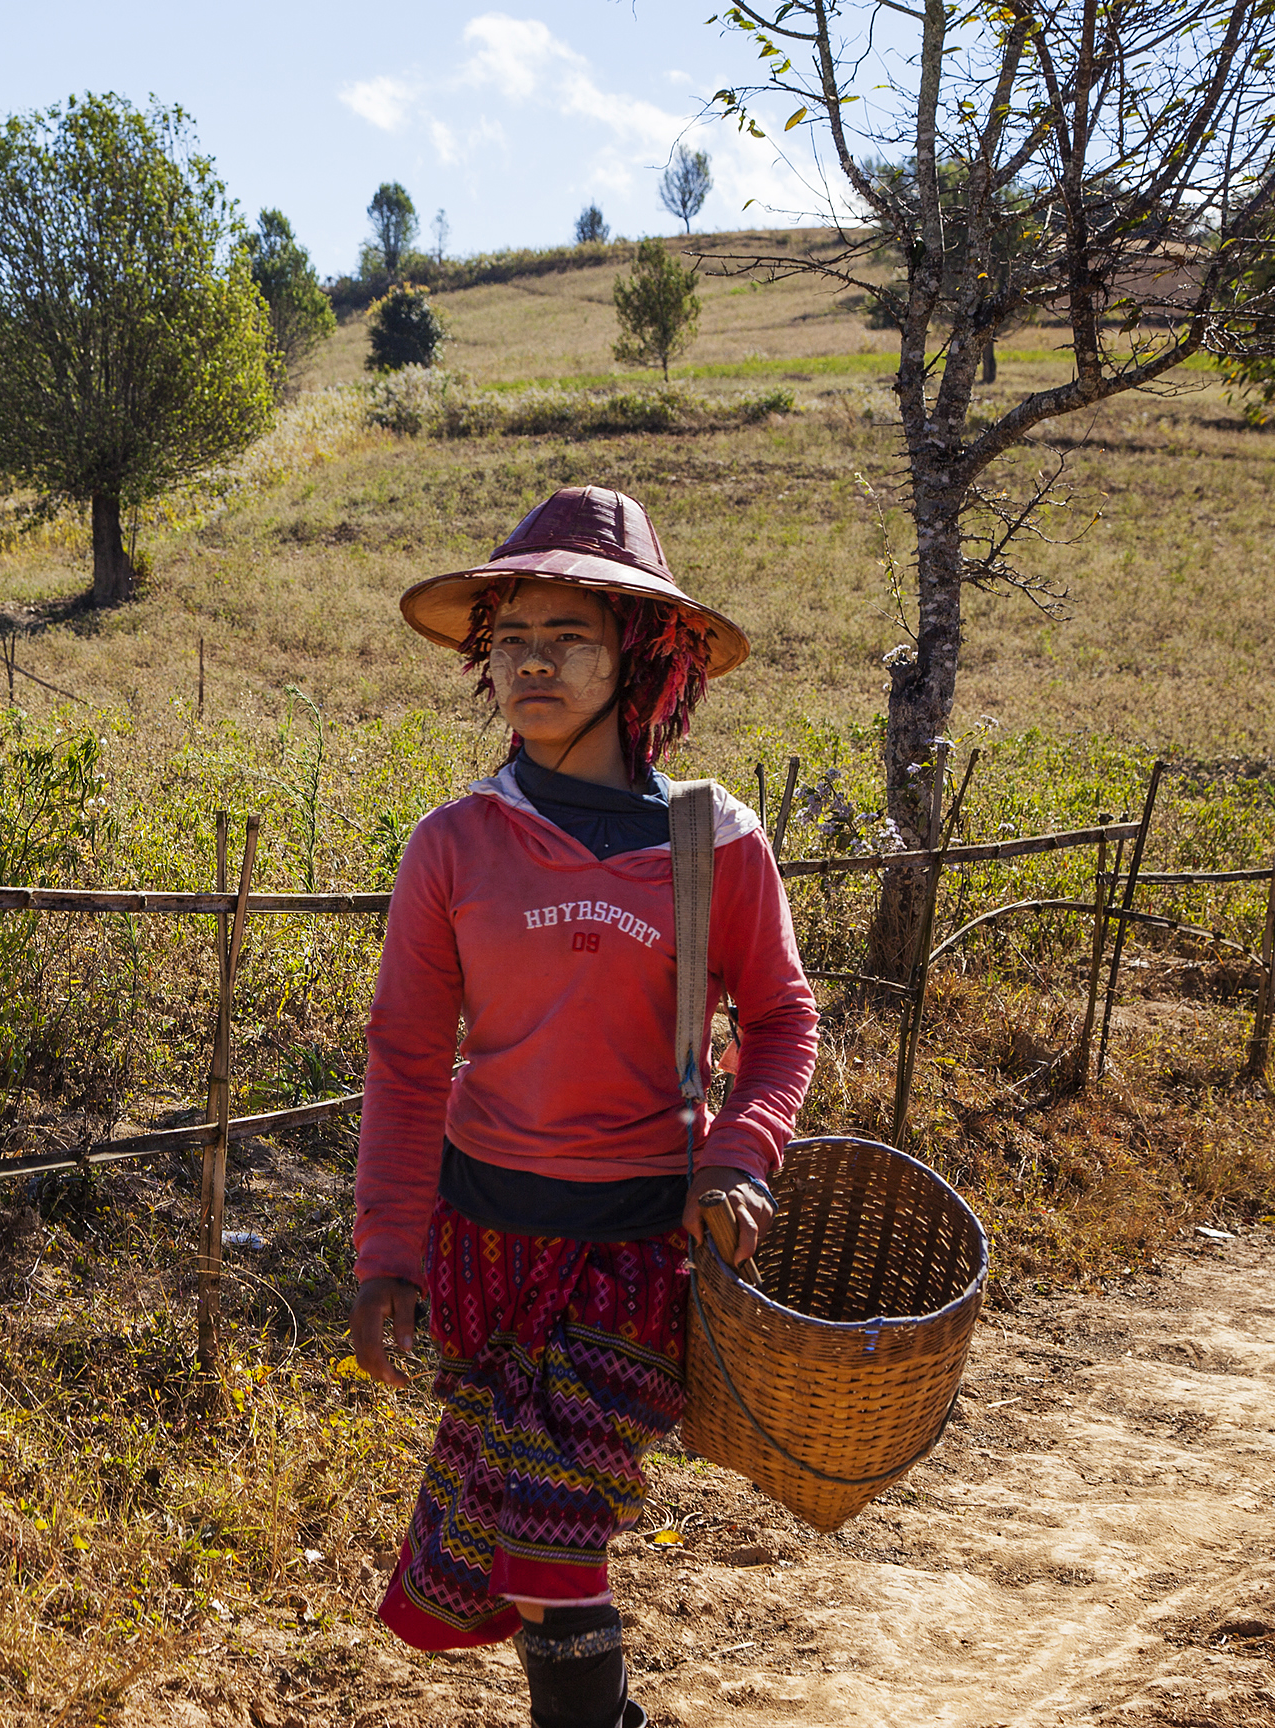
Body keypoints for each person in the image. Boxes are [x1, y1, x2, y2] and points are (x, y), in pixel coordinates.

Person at [350, 485, 820, 1728]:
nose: (533, 663)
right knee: (518, 1549)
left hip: (636, 1251)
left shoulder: (714, 843)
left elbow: (783, 1019)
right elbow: (408, 1059)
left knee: (549, 1541)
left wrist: (742, 1154)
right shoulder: (457, 844)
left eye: (568, 637)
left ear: (641, 658)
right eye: (511, 637)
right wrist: (386, 1255)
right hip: (484, 1248)